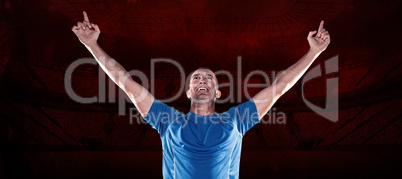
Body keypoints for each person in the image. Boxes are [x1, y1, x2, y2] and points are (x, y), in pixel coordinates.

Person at [72, 11, 330, 179]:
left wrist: (314, 53)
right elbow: (126, 83)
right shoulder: (167, 120)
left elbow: (279, 87)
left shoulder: (237, 120)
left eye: (208, 78)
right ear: (188, 92)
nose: (202, 80)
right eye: (196, 77)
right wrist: (91, 45)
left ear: (217, 92)